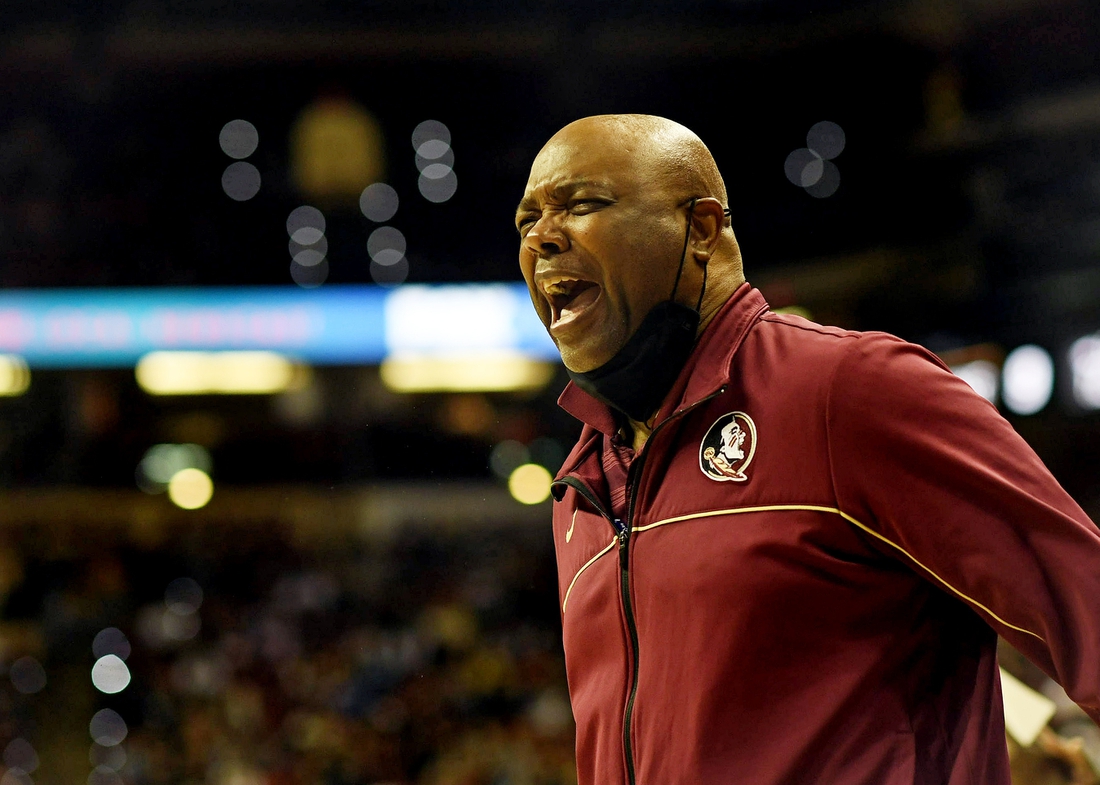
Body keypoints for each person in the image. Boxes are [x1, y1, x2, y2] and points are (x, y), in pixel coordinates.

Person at [515, 114, 1100, 785]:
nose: (542, 237)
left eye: (581, 204)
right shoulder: (578, 488)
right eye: (527, 220)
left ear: (701, 229)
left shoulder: (849, 391)